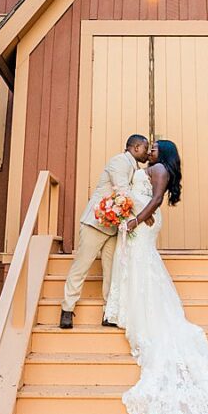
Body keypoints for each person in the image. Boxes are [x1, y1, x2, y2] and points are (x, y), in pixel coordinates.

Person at [104, 138, 208, 414]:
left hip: (143, 223)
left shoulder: (157, 169)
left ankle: (143, 314)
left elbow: (154, 199)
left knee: (142, 264)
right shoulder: (154, 168)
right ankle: (130, 307)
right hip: (141, 220)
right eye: (149, 146)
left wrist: (136, 220)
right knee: (140, 264)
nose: (150, 149)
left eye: (155, 146)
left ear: (162, 153)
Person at [61, 135, 152, 328]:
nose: (147, 152)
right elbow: (122, 191)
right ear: (135, 147)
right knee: (81, 266)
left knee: (112, 272)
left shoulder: (136, 167)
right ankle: (67, 310)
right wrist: (144, 213)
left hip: (115, 227)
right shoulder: (119, 161)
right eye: (145, 148)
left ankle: (108, 313)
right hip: (96, 223)